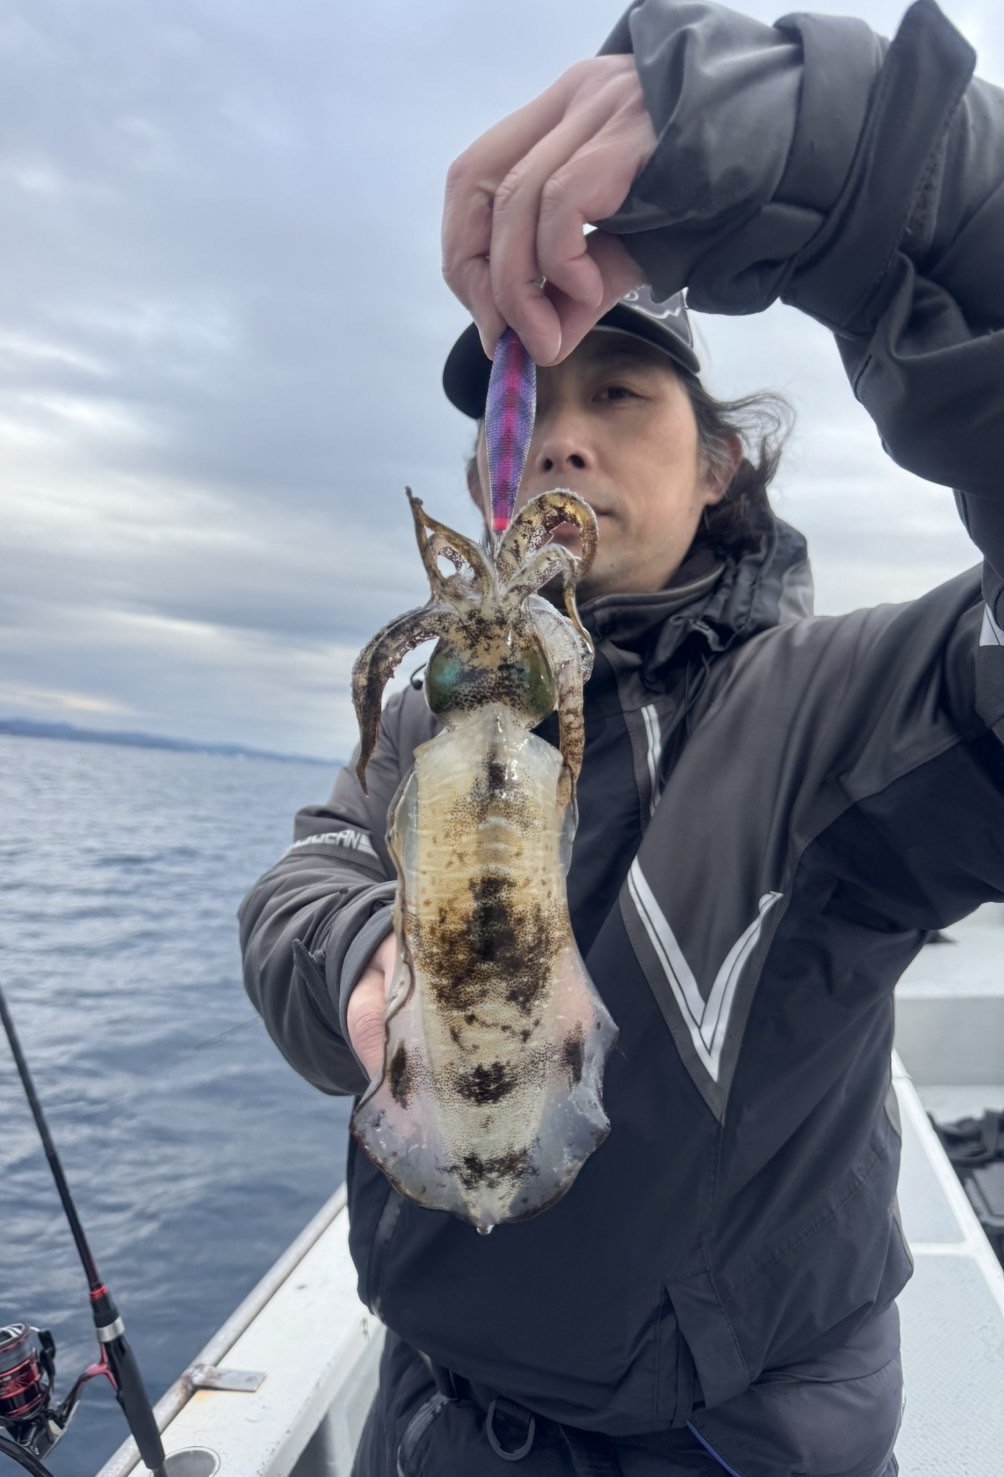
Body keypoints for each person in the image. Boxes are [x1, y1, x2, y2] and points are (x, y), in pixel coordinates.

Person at [239, 0, 1004, 1471]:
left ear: (721, 465)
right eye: (530, 405)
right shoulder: (437, 707)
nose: (563, 435)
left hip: (711, 1442)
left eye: (622, 392)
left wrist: (850, 158)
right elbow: (304, 881)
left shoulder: (838, 704)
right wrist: (364, 955)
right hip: (432, 1418)